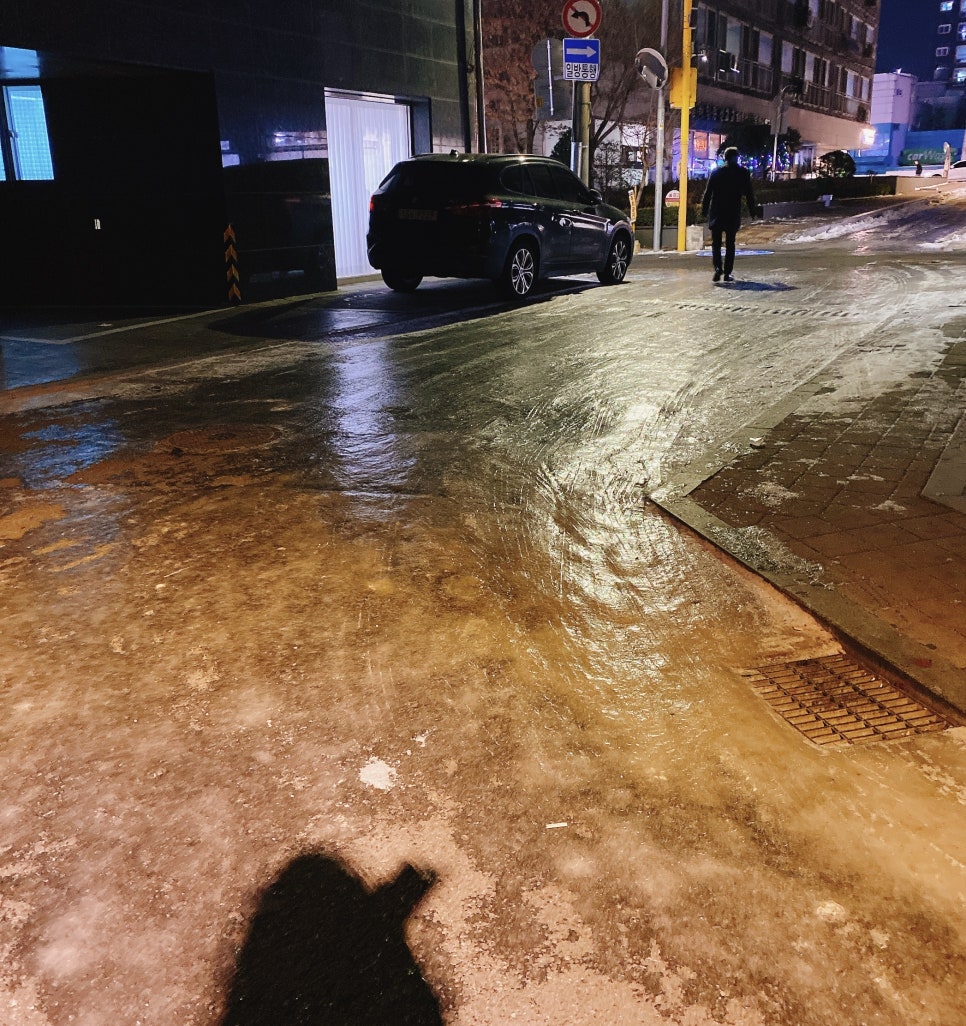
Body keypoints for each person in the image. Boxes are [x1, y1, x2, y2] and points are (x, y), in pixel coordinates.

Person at [701, 147, 760, 283]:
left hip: (717, 212)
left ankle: (717, 268)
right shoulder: (742, 173)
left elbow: (708, 193)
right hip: (732, 212)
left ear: (725, 158)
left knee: (716, 243)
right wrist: (752, 211)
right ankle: (727, 272)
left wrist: (704, 210)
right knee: (730, 243)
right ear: (736, 158)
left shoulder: (716, 172)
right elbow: (749, 194)